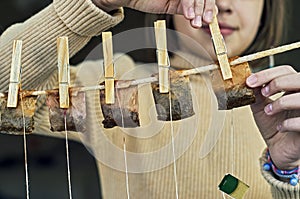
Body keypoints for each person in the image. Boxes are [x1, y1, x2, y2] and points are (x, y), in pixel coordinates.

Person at [0, 0, 299, 198]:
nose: (221, 5)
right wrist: (94, 3)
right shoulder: (113, 86)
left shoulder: (289, 106)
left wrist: (288, 171)